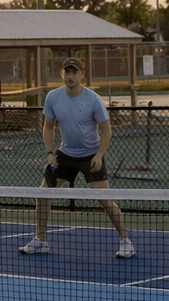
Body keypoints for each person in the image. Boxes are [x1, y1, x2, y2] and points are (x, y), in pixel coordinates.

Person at [19, 57, 135, 258]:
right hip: (65, 155)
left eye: (75, 72)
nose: (71, 76)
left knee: (105, 201)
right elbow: (48, 127)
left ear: (82, 75)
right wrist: (49, 153)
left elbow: (106, 130)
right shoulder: (53, 98)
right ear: (62, 74)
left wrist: (100, 155)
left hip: (90, 156)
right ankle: (40, 240)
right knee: (42, 195)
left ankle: (126, 241)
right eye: (67, 72)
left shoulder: (93, 99)